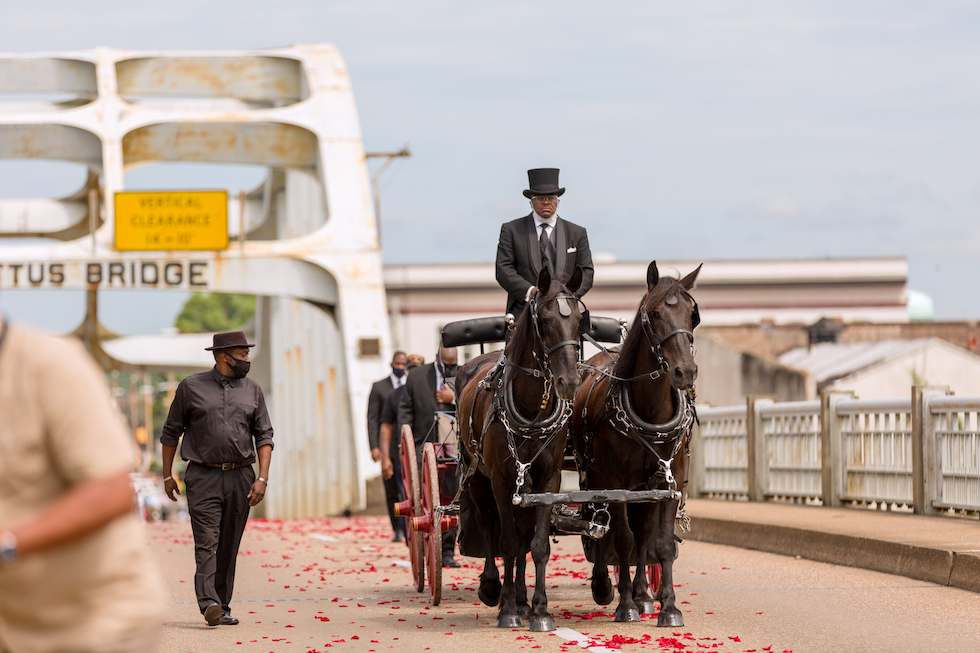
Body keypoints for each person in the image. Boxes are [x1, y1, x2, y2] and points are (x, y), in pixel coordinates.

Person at [0, 316, 165, 653]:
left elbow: (112, 492)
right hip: (15, 629)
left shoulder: (48, 364)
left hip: (96, 627)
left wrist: (8, 544)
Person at [160, 331, 274, 628]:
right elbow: (171, 431)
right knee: (206, 541)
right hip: (202, 475)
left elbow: (264, 435)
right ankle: (208, 602)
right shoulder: (191, 387)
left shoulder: (253, 390)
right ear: (223, 356)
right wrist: (166, 474)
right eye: (243, 354)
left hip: (240, 475)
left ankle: (222, 605)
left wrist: (262, 477)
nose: (247, 359)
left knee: (228, 544)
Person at [495, 167, 595, 316]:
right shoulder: (511, 230)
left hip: (564, 314)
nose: (546, 202)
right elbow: (503, 269)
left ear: (558, 202)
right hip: (523, 313)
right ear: (531, 203)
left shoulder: (577, 232)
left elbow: (587, 271)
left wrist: (567, 296)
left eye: (551, 198)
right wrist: (530, 292)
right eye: (540, 198)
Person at [398, 346, 460, 567]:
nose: (450, 369)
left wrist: (453, 397)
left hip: (452, 444)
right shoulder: (416, 376)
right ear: (437, 359)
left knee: (451, 496)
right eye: (446, 366)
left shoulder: (464, 373)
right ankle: (422, 544)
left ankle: (447, 552)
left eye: (453, 365)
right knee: (425, 498)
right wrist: (407, 445)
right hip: (422, 444)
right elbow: (405, 410)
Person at [367, 351, 408, 541]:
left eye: (403, 364)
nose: (400, 367)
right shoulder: (379, 387)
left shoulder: (410, 387)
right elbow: (373, 419)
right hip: (388, 447)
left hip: (406, 446)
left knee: (406, 489)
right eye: (397, 364)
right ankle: (397, 528)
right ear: (391, 363)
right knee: (392, 490)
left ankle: (409, 526)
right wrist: (375, 447)